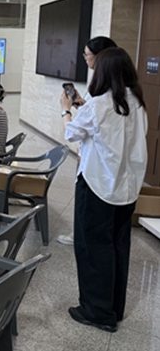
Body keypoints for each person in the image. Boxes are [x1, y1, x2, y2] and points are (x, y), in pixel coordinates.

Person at [60, 47, 146, 333]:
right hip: (127, 188)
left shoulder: (98, 105)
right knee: (118, 246)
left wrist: (66, 110)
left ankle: (97, 311)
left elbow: (71, 132)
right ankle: (114, 307)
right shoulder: (137, 102)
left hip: (97, 185)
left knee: (93, 248)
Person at [58, 36, 118, 246]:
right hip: (105, 164)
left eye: (87, 54)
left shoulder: (101, 93)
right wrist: (84, 107)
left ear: (100, 57)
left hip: (96, 165)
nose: (84, 58)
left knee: (89, 207)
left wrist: (66, 110)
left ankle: (80, 236)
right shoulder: (119, 92)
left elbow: (71, 133)